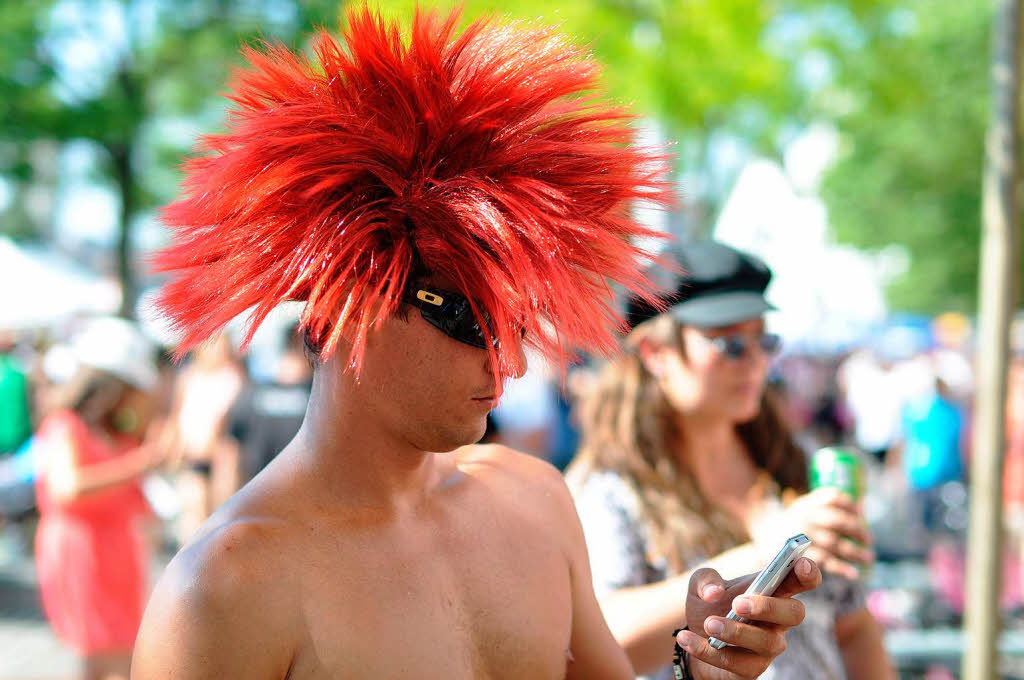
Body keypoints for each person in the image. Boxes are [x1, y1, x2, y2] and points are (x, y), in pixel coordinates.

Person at [133, 8, 822, 679]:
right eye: (470, 319)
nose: (510, 360)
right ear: (353, 299)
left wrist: (702, 672)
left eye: (519, 322)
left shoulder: (531, 500)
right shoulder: (227, 589)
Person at [568, 241, 894, 680]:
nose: (756, 361)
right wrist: (767, 553)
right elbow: (602, 642)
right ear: (656, 354)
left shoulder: (791, 463)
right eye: (731, 344)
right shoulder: (611, 487)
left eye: (765, 340)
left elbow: (853, 627)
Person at [33, 317, 168, 680]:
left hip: (114, 549)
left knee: (113, 652)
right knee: (107, 655)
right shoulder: (66, 424)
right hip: (82, 549)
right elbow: (68, 487)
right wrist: (141, 462)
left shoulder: (110, 428)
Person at [166, 332, 245, 543]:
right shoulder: (189, 377)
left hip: (220, 456)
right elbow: (176, 414)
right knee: (193, 515)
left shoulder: (233, 377)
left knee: (220, 513)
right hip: (192, 453)